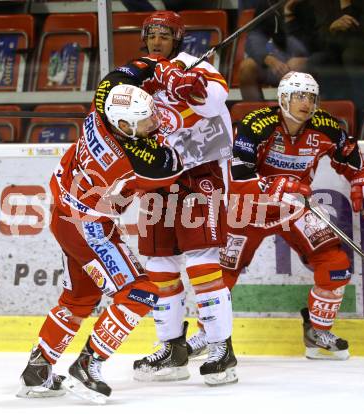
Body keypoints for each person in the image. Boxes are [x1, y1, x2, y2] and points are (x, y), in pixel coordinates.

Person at [16, 74, 205, 401]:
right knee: (141, 291)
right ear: (125, 127)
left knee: (78, 300)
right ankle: (87, 365)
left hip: (65, 219)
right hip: (89, 228)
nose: (154, 122)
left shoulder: (98, 113)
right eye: (145, 121)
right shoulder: (127, 159)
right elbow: (171, 166)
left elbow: (119, 77)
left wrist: (159, 71)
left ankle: (38, 370)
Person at [221, 71, 364, 360]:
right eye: (299, 96)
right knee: (222, 275)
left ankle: (317, 331)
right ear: (283, 98)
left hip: (295, 206)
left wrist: (363, 177)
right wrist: (276, 184)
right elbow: (238, 173)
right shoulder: (256, 124)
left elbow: (350, 157)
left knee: (335, 264)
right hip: (251, 207)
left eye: (311, 97)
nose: (306, 102)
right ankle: (211, 336)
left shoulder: (327, 127)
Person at [131, 11, 237, 386]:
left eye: (165, 35)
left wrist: (184, 82)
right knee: (158, 262)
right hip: (159, 173)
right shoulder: (138, 73)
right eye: (152, 34)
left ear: (177, 39)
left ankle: (221, 349)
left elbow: (216, 99)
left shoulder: (192, 64)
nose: (157, 41)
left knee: (202, 260)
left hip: (200, 170)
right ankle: (172, 348)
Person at [238, 0, 317, 101]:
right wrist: (266, 58)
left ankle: (294, 112)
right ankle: (256, 113)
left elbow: (305, 46)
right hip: (274, 60)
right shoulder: (267, 4)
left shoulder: (307, 6)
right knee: (246, 67)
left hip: (303, 61)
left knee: (294, 65)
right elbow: (255, 36)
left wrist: (288, 14)